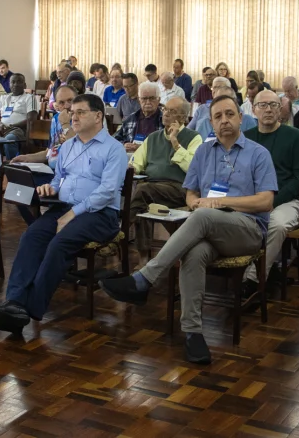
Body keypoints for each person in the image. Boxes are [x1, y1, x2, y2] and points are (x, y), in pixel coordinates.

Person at [100, 95, 277, 365]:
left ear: (241, 117)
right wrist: (196, 203)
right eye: (218, 117)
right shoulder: (204, 152)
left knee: (204, 216)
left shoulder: (258, 153)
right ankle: (193, 333)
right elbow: (190, 194)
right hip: (210, 226)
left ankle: (144, 279)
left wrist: (218, 203)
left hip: (247, 229)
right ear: (211, 122)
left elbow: (266, 201)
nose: (224, 120)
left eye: (230, 114)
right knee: (194, 253)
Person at [0, 94, 127, 334]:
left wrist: (73, 214)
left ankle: (29, 310)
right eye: (72, 112)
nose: (73, 116)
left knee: (60, 243)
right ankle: (14, 302)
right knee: (32, 236)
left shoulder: (114, 149)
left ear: (98, 116)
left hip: (100, 215)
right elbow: (59, 179)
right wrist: (51, 188)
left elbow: (107, 191)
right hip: (64, 208)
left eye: (81, 112)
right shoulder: (68, 146)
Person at [242, 89, 299, 295]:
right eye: (263, 105)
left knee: (277, 225)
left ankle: (253, 279)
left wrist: (273, 201)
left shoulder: (294, 136)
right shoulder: (246, 137)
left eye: (273, 105)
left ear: (281, 110)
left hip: (286, 200)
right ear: (253, 110)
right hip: (253, 199)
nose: (268, 110)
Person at [128, 97, 202, 252]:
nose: (166, 114)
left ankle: (120, 230)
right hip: (151, 188)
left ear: (182, 117)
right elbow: (136, 163)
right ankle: (144, 255)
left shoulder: (194, 137)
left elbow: (193, 168)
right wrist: (131, 167)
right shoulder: (153, 137)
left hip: (179, 189)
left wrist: (175, 143)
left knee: (142, 192)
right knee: (142, 201)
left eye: (172, 111)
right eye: (165, 109)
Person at [8, 85, 76, 225]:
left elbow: (77, 149)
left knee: (36, 190)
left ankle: (47, 224)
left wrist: (65, 124)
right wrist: (27, 158)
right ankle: (36, 224)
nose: (66, 106)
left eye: (70, 101)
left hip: (70, 175)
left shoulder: (80, 120)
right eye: (62, 103)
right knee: (18, 184)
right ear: (56, 105)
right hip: (51, 170)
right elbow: (51, 151)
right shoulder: (56, 119)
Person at [0, 74, 37, 159]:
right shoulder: (4, 98)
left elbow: (31, 119)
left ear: (24, 85)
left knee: (9, 139)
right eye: (13, 82)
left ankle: (12, 166)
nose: (15, 84)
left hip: (19, 130)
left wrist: (11, 126)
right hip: (2, 129)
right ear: (9, 85)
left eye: (19, 82)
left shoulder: (29, 97)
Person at [191, 87, 256, 141]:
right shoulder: (206, 122)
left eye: (226, 100)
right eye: (217, 100)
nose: (224, 120)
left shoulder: (248, 121)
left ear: (235, 101)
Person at [114, 82, 162, 152]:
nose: (148, 102)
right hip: (131, 158)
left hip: (154, 160)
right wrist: (123, 145)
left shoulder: (165, 120)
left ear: (158, 100)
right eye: (144, 98)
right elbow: (115, 139)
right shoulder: (131, 118)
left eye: (152, 98)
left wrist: (143, 148)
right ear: (139, 100)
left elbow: (167, 147)